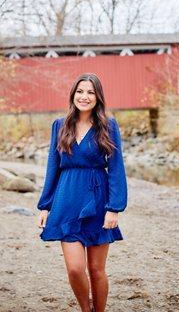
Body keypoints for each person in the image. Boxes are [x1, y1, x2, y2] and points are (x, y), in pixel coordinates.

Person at [37, 72, 128, 312]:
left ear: (98, 97)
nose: (84, 97)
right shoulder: (60, 125)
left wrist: (114, 208)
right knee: (75, 268)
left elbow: (116, 167)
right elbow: (52, 167)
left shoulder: (108, 125)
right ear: (73, 95)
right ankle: (85, 309)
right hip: (66, 200)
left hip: (98, 201)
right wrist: (45, 205)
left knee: (96, 270)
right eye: (80, 91)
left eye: (90, 92)